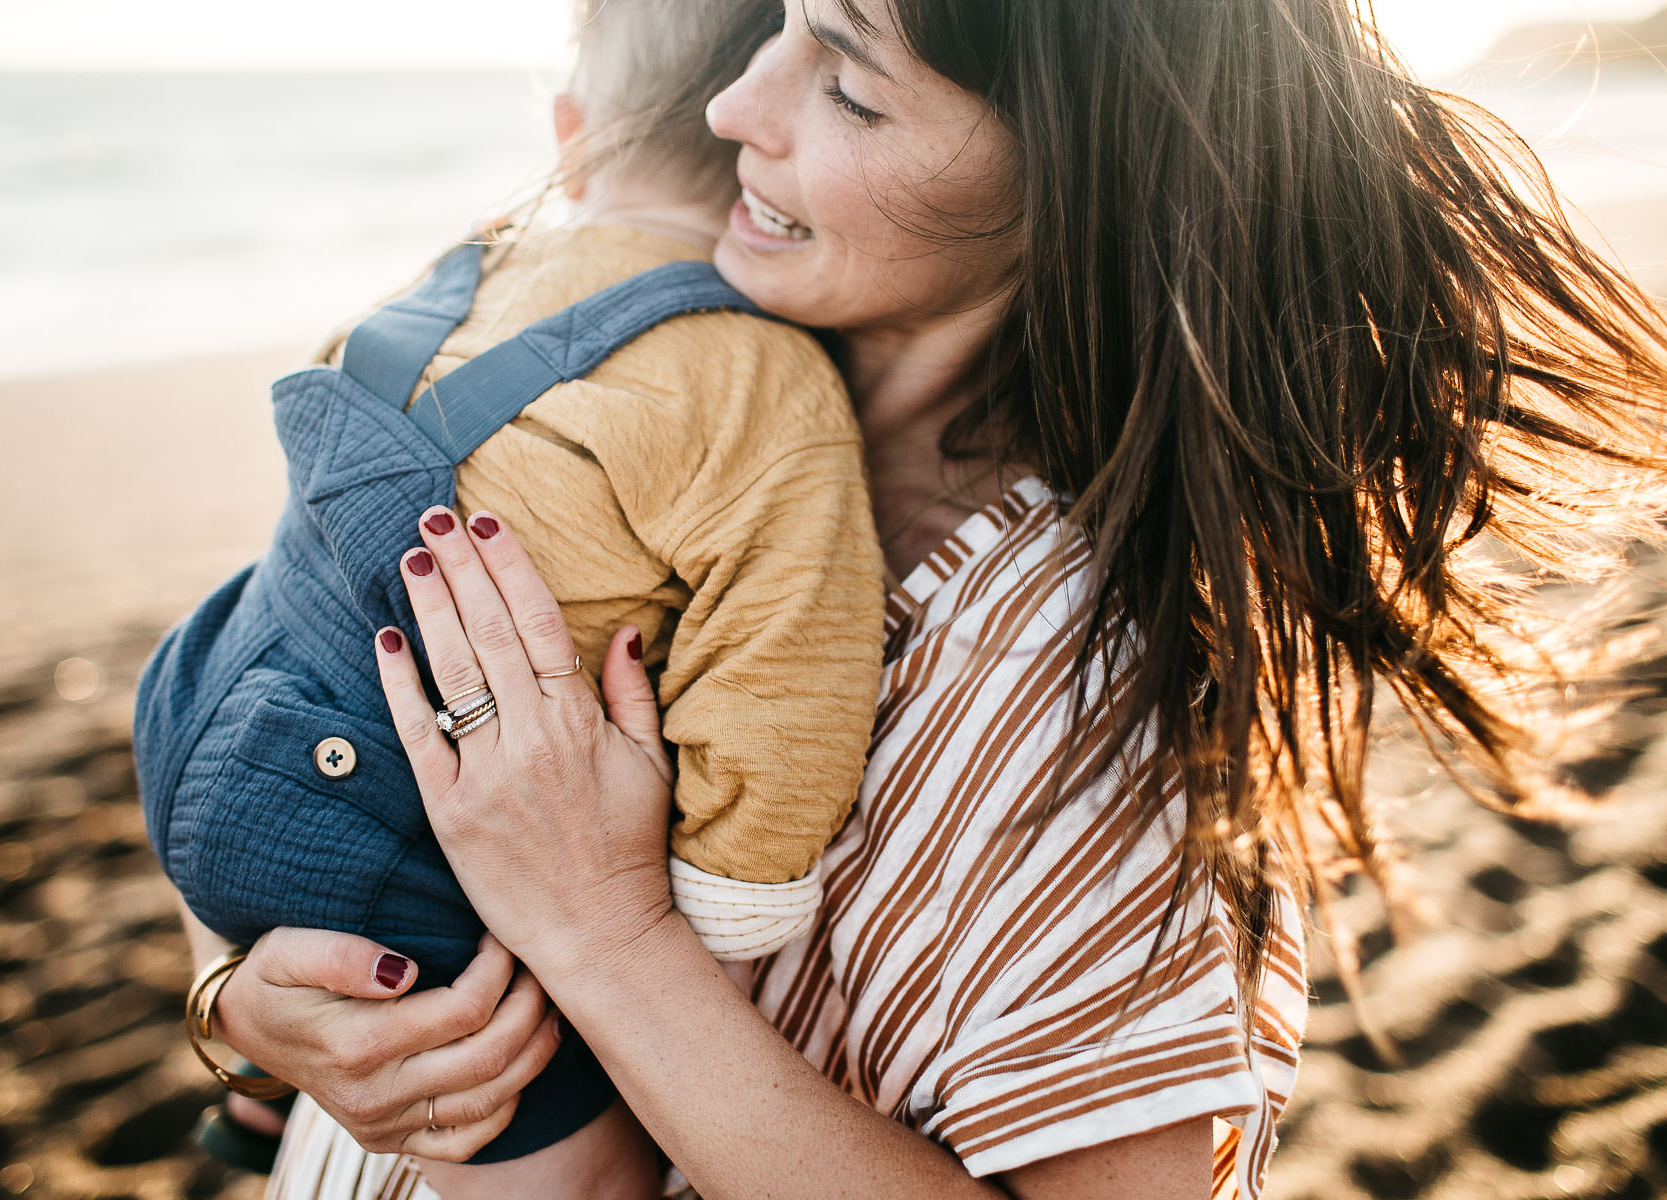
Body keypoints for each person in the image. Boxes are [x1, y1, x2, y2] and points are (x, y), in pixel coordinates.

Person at [197, 0, 1667, 1197]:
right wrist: (252, 1004)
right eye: (773, 23)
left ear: (1073, 173)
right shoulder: (662, 387)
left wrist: (608, 933)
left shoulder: (1080, 687)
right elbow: (297, 685)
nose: (735, 107)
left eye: (848, 84)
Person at [143, 0, 886, 1194]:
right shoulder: (761, 379)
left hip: (202, 697)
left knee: (318, 963)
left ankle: (268, 1112)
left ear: (570, 133)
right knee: (572, 1173)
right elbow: (786, 669)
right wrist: (726, 913)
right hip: (375, 802)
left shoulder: (463, 265)